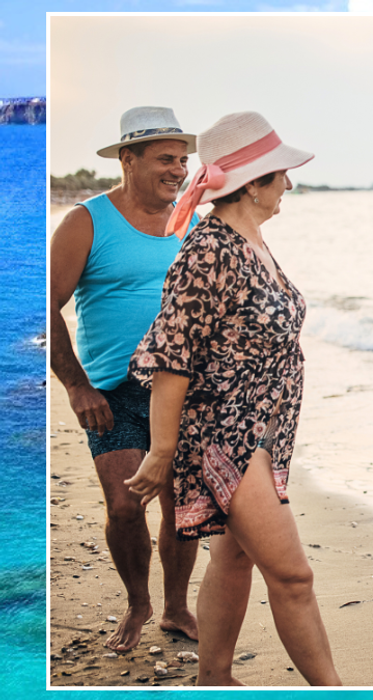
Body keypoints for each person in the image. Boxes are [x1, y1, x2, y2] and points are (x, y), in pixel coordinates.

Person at [123, 111, 340, 686]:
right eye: (280, 175)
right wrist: (161, 450)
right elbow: (174, 357)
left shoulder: (252, 241)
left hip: (258, 434)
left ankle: (212, 678)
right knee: (293, 577)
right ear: (253, 182)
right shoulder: (209, 252)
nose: (288, 184)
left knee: (234, 557)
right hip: (223, 438)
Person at [49, 106, 200, 652]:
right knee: (123, 504)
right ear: (128, 160)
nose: (178, 170)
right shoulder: (86, 222)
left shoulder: (193, 222)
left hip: (182, 387)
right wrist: (76, 385)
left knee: (182, 506)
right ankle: (139, 602)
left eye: (184, 160)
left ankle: (177, 606)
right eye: (166, 159)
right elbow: (44, 305)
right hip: (112, 389)